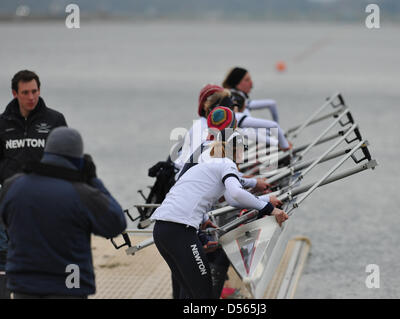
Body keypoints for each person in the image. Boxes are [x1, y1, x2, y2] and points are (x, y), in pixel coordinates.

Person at [151, 131, 288, 299]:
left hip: (161, 230)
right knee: (204, 294)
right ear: (235, 150)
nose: (242, 154)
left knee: (188, 293)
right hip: (180, 232)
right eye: (242, 149)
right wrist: (270, 209)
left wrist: (205, 220)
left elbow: (231, 198)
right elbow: (237, 194)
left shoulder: (206, 164)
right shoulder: (226, 163)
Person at [0, 127, 126, 299]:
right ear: (78, 159)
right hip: (69, 284)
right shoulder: (83, 194)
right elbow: (116, 224)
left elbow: (6, 221)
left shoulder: (13, 186)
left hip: (25, 284)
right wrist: (93, 180)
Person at [0, 70, 67, 298]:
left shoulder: (55, 120)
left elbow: (66, 159)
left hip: (46, 202)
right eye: (25, 92)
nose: (31, 97)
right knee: (9, 256)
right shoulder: (2, 123)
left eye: (35, 91)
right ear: (14, 93)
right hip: (10, 203)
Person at [222, 67, 292, 151]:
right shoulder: (236, 104)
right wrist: (280, 143)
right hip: (241, 146)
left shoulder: (232, 98)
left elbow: (272, 104)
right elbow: (249, 133)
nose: (251, 84)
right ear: (237, 83)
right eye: (247, 80)